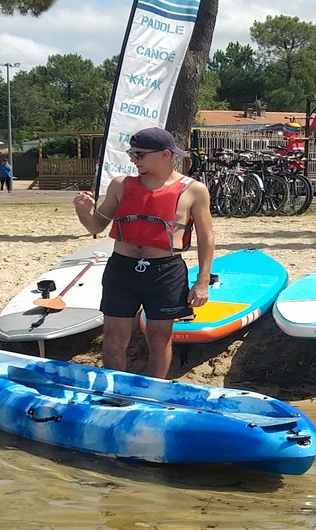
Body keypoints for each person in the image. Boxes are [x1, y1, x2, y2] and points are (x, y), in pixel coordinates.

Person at [72, 126, 214, 378]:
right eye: (131, 153)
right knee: (114, 343)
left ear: (165, 154)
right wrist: (83, 212)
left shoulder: (194, 190)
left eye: (139, 154)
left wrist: (202, 282)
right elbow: (96, 225)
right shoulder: (120, 185)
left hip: (165, 273)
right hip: (122, 269)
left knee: (159, 340)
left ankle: (153, 392)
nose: (132, 160)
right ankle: (115, 393)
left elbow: (206, 238)